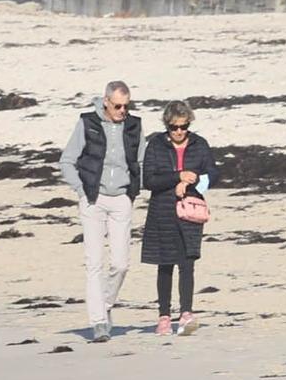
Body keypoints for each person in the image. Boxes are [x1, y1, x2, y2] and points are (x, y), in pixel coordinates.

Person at [57, 81, 142, 342]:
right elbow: (67, 161)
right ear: (105, 101)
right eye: (117, 106)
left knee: (120, 264)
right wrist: (82, 192)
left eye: (126, 106)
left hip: (121, 199)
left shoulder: (134, 125)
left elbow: (139, 160)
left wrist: (133, 191)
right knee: (94, 263)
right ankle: (98, 324)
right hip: (93, 199)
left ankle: (105, 306)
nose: (122, 111)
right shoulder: (87, 123)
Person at [139, 100, 215, 338]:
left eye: (184, 126)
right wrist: (177, 178)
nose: (180, 132)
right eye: (175, 127)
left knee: (187, 262)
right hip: (162, 210)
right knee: (165, 263)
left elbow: (212, 173)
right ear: (167, 126)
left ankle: (186, 313)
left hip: (191, 209)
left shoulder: (200, 145)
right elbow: (149, 181)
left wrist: (191, 182)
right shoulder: (155, 145)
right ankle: (163, 316)